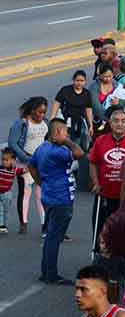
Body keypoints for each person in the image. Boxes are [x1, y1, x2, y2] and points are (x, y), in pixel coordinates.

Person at [28, 119, 84, 284]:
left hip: (49, 196)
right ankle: (50, 273)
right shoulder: (57, 151)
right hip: (61, 199)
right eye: (65, 132)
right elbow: (80, 153)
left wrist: (41, 182)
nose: (67, 135)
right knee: (54, 237)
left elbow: (31, 166)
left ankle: (46, 270)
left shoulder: (42, 148)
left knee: (51, 235)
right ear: (57, 134)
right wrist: (66, 141)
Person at [89, 106, 125, 251]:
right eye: (116, 121)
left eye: (123, 121)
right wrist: (96, 183)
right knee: (100, 228)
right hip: (104, 194)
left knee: (123, 229)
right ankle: (98, 255)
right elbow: (93, 162)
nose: (119, 124)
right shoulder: (100, 141)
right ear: (110, 123)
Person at [8, 96, 48, 235]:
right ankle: (23, 223)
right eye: (39, 112)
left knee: (41, 194)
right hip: (25, 163)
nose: (41, 115)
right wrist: (26, 158)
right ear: (31, 111)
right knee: (25, 193)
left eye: (44, 112)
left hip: (42, 163)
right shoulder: (22, 123)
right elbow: (13, 143)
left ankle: (44, 224)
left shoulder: (46, 123)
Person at [52, 71, 94, 145]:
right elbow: (57, 103)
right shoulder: (65, 90)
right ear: (73, 80)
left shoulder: (87, 93)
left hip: (79, 122)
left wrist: (90, 125)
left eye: (82, 81)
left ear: (85, 81)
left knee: (77, 142)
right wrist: (53, 117)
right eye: (77, 80)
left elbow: (88, 110)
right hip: (66, 121)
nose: (79, 83)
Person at [0, 148, 24, 234]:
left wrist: (32, 167)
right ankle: (1, 225)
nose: (4, 162)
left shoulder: (14, 170)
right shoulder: (1, 168)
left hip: (7, 194)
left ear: (13, 161)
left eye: (6, 160)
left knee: (6, 210)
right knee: (1, 210)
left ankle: (4, 225)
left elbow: (24, 170)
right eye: (3, 159)